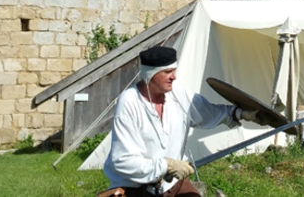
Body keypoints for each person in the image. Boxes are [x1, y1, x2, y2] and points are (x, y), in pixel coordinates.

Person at [102, 45, 263, 197]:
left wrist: (240, 113)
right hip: (135, 188)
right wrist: (168, 166)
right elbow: (122, 162)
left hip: (170, 185)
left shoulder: (178, 95)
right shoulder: (129, 102)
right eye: (167, 72)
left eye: (174, 70)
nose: (174, 77)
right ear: (150, 74)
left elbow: (210, 112)